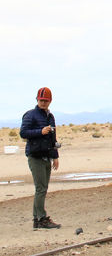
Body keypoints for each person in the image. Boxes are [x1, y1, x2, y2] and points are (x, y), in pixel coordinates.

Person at [20, 87, 61, 229]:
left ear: (50, 101)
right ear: (37, 100)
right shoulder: (30, 115)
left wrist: (55, 156)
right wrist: (40, 131)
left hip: (46, 155)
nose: (43, 103)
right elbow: (23, 133)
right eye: (41, 100)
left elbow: (53, 138)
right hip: (35, 156)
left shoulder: (50, 116)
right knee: (40, 188)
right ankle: (39, 218)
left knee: (43, 188)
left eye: (46, 101)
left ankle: (38, 219)